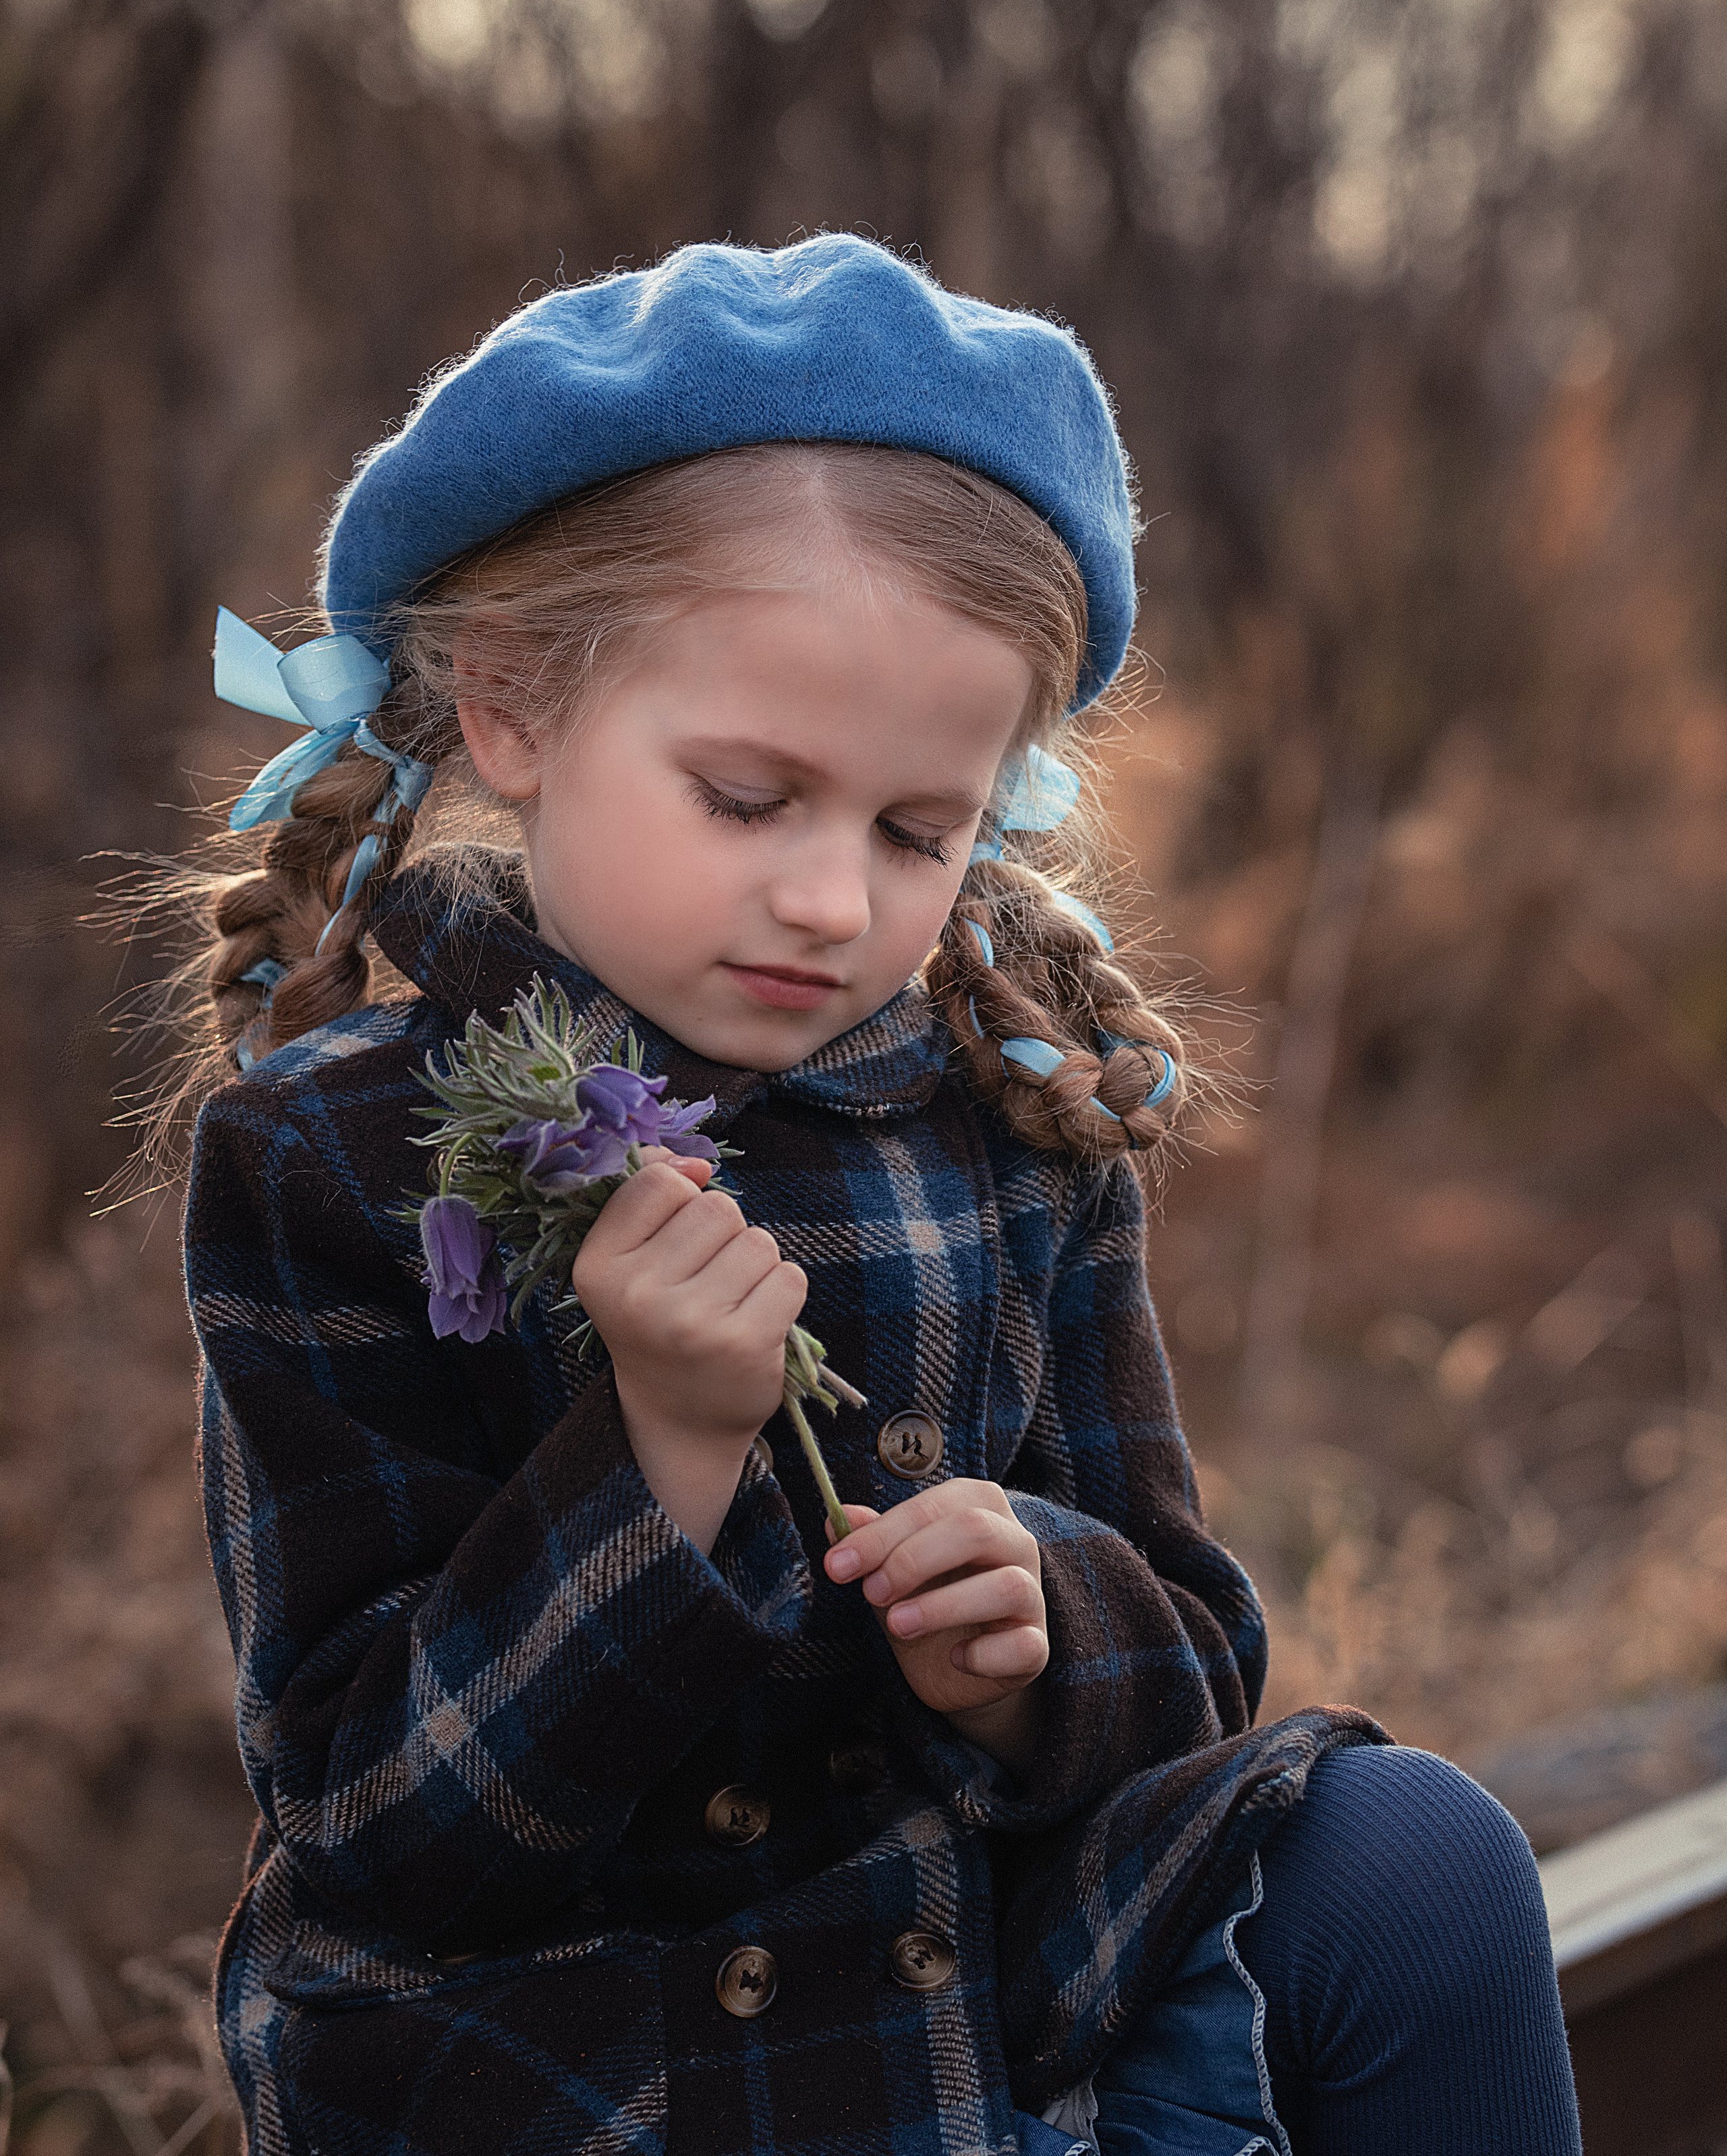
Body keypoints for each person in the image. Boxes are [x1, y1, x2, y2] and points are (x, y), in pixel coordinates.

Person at [171, 236, 1581, 2155]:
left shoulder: (1012, 1127)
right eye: (751, 798)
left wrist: (1038, 1645)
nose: (836, 900)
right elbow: (375, 1829)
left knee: (1410, 1856)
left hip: (976, 2014)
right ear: (508, 707)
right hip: (591, 2071)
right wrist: (662, 1456)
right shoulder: (332, 1157)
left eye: (919, 828)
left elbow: (1187, 1654)